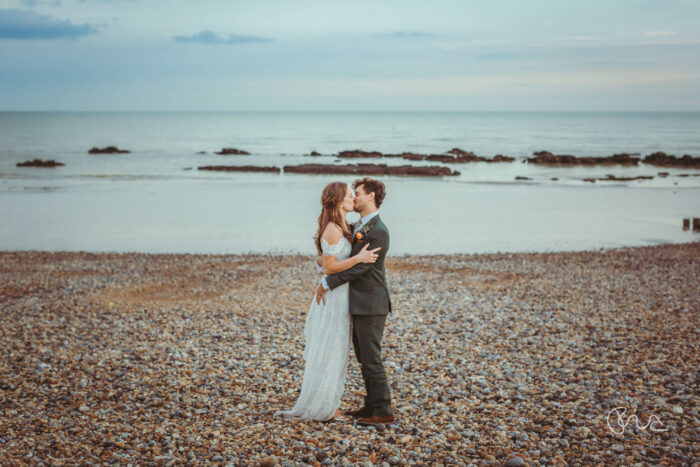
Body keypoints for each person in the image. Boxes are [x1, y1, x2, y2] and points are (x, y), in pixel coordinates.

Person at [274, 181, 381, 421]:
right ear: (338, 201)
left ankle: (327, 403)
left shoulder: (342, 226)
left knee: (335, 350)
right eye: (349, 194)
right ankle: (325, 408)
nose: (353, 197)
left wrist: (324, 264)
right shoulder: (333, 228)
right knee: (331, 350)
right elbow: (331, 267)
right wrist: (359, 258)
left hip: (341, 296)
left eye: (355, 194)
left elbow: (324, 260)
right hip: (334, 298)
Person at [315, 177, 395, 426]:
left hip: (372, 303)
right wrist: (322, 261)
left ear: (371, 195)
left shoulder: (379, 231)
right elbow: (339, 253)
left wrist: (329, 282)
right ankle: (371, 405)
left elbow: (362, 268)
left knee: (371, 357)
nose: (354, 197)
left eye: (357, 192)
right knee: (363, 356)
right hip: (359, 301)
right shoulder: (359, 225)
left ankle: (382, 411)